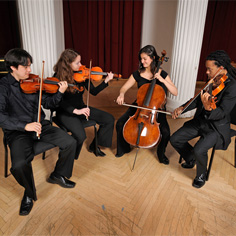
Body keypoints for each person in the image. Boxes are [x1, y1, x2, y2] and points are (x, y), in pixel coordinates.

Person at [0, 48, 77, 216]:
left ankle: (58, 174)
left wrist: (59, 93)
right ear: (13, 67)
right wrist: (24, 126)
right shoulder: (3, 86)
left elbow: (49, 104)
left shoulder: (33, 81)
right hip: (18, 132)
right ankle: (28, 193)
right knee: (19, 165)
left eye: (30, 66)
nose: (29, 70)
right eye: (25, 67)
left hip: (41, 125)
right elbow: (1, 116)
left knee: (71, 142)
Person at [170, 50, 236, 188]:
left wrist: (208, 108)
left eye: (209, 69)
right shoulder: (213, 81)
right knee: (175, 139)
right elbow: (196, 100)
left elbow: (223, 112)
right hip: (201, 121)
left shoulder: (232, 87)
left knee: (199, 149)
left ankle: (201, 175)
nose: (206, 72)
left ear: (221, 68)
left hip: (216, 128)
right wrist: (182, 108)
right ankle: (190, 158)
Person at [115, 45, 178, 164]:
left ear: (153, 58)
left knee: (165, 132)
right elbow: (124, 87)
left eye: (145, 59)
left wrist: (162, 80)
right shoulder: (138, 74)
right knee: (120, 123)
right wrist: (121, 94)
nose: (142, 61)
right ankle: (124, 148)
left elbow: (175, 91)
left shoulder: (162, 74)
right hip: (140, 105)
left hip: (156, 108)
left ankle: (161, 153)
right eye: (141, 59)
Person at [53, 49, 115, 158]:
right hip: (66, 112)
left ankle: (94, 146)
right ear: (68, 64)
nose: (81, 65)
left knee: (109, 119)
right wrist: (76, 111)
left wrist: (106, 81)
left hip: (81, 108)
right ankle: (70, 157)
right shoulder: (57, 77)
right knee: (81, 135)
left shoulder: (82, 75)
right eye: (77, 63)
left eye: (80, 62)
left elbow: (94, 92)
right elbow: (59, 102)